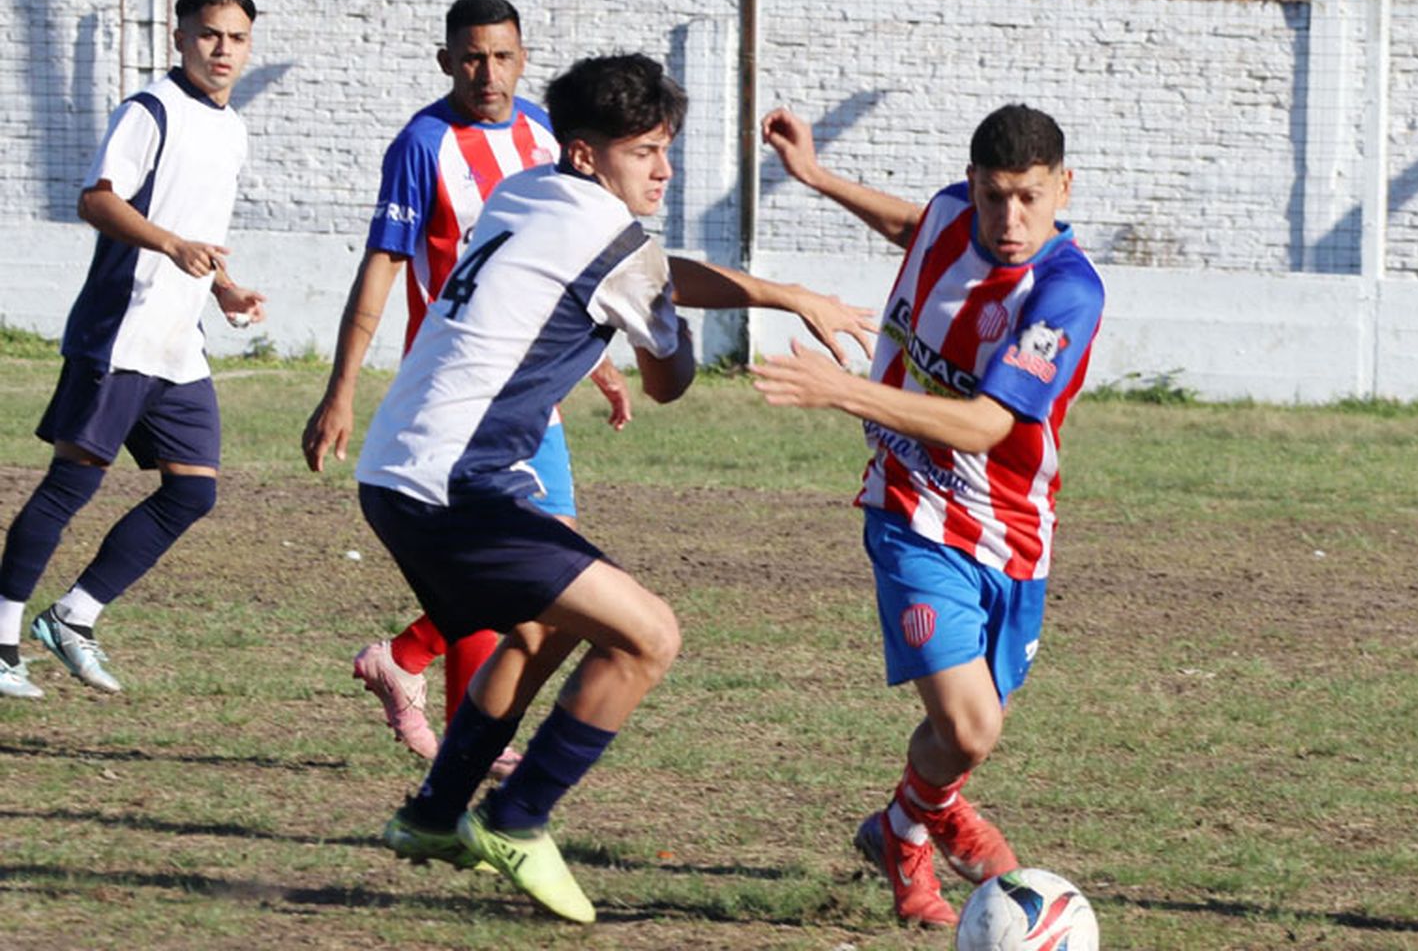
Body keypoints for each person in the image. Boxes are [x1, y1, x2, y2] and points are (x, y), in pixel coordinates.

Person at [359, 54, 873, 923]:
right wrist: (670, 330)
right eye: (644, 151)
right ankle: (517, 821)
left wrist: (777, 293)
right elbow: (668, 375)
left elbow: (648, 269)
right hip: (456, 484)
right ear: (589, 156)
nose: (664, 170)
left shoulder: (527, 189)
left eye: (667, 148)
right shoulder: (617, 245)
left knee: (543, 628)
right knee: (649, 636)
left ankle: (435, 812)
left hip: (399, 471)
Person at [752, 104, 1105, 927]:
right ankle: (918, 838)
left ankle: (905, 822)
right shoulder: (953, 212)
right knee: (971, 727)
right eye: (991, 197)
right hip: (909, 507)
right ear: (971, 184)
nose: (1008, 220)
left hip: (1012, 529)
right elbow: (916, 222)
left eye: (1028, 197)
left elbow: (989, 425)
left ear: (1063, 188)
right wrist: (816, 178)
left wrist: (843, 390)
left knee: (964, 736)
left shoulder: (1064, 293)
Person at [299, 0, 627, 771]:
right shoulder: (422, 144)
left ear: (523, 58)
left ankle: (412, 666)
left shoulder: (545, 135)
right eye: (473, 57)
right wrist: (341, 387)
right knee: (532, 563)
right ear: (447, 60)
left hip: (532, 392)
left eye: (503, 56)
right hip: (457, 398)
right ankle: (463, 735)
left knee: (553, 560)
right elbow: (382, 263)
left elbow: (564, 259)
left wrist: (598, 358)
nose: (489, 72)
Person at [0, 0, 265, 700]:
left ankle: (73, 617)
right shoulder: (149, 111)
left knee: (193, 492)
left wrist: (226, 288)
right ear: (179, 38)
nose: (222, 50)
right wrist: (169, 243)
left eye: (235, 38)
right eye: (209, 35)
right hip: (120, 331)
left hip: (178, 343)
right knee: (72, 485)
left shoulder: (231, 128)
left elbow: (196, 228)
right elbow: (98, 199)